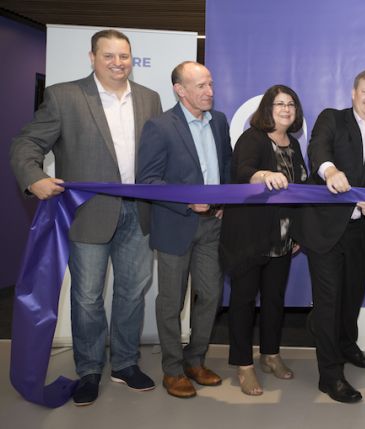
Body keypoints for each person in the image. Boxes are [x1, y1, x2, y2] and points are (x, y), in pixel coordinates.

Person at [9, 29, 162, 406]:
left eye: (123, 56)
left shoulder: (149, 98)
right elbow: (25, 144)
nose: (117, 63)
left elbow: (160, 155)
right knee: (88, 296)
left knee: (131, 292)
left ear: (132, 58)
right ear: (92, 58)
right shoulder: (64, 96)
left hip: (139, 214)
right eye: (108, 55)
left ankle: (125, 363)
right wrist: (35, 178)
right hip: (88, 214)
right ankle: (90, 368)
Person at [293, 70, 365, 403]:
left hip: (362, 229)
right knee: (328, 301)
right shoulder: (332, 119)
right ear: (353, 93)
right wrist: (331, 170)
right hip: (326, 228)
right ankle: (331, 375)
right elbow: (318, 149)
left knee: (352, 295)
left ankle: (347, 345)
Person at [136, 61, 232, 399]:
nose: (210, 91)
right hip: (175, 224)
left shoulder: (219, 122)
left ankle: (195, 361)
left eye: (210, 84)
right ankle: (173, 370)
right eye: (202, 86)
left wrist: (224, 203)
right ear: (180, 90)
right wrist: (188, 203)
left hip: (212, 227)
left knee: (211, 296)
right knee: (171, 302)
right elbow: (147, 181)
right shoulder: (160, 127)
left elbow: (227, 166)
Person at [219, 85, 308, 396]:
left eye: (291, 104)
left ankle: (270, 355)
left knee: (274, 301)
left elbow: (300, 190)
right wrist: (262, 175)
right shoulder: (252, 138)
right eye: (279, 103)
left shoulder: (294, 145)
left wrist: (297, 231)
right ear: (267, 108)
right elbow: (244, 171)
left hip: (282, 240)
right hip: (249, 238)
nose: (285, 109)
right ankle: (244, 365)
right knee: (243, 302)